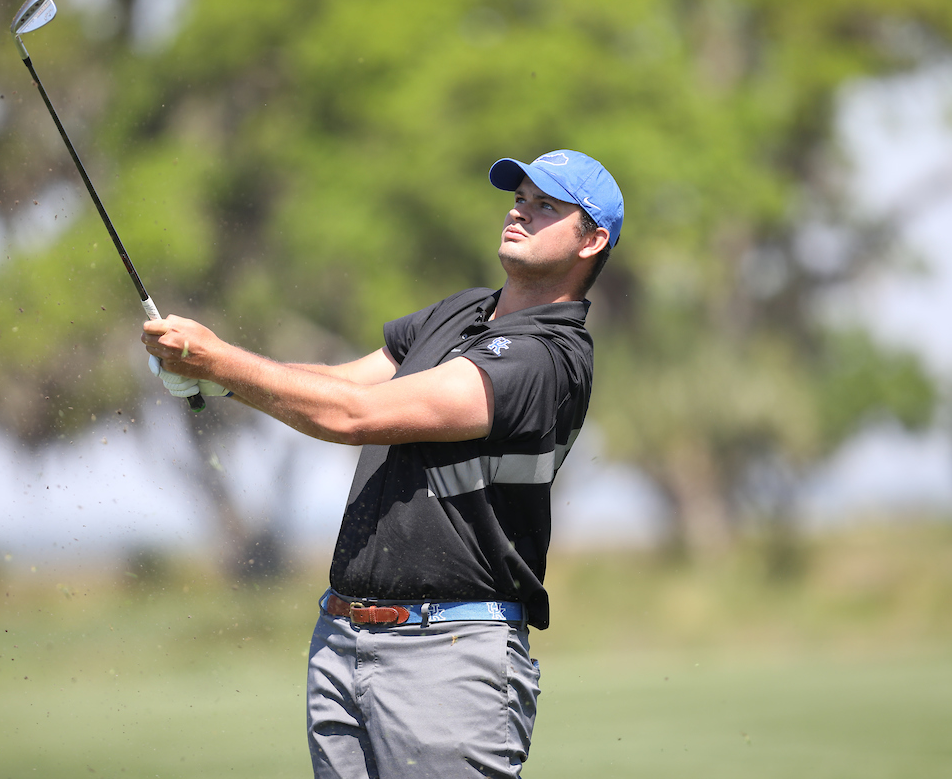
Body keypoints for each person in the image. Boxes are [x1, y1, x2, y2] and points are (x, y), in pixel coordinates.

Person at [142, 149, 624, 778]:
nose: (519, 212)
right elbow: (334, 383)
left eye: (546, 206)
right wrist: (219, 383)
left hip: (449, 655)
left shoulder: (546, 359)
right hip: (343, 640)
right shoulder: (459, 313)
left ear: (592, 241)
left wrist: (219, 361)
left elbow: (355, 415)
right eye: (520, 198)